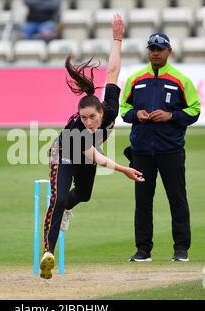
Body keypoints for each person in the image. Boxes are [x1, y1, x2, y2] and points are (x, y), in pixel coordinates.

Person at [39, 14, 145, 280]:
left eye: (93, 117)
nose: (89, 122)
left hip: (85, 156)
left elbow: (112, 72)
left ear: (101, 111)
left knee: (83, 195)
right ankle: (47, 254)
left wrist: (117, 38)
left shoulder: (109, 110)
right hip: (63, 154)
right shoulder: (77, 130)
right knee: (59, 200)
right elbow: (96, 157)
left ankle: (67, 209)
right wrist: (124, 170)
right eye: (84, 118)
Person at [121, 32, 201, 263]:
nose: (155, 52)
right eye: (152, 48)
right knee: (143, 202)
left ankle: (181, 249)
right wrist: (136, 114)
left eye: (160, 48)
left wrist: (171, 116)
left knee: (177, 199)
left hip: (171, 151)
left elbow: (194, 110)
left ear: (169, 51)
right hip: (142, 151)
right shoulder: (136, 79)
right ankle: (143, 250)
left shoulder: (180, 80)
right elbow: (123, 109)